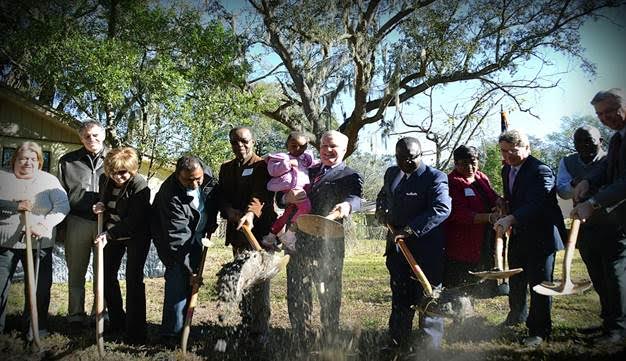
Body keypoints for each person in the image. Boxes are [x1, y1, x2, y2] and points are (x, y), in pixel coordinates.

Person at [284, 130, 363, 349]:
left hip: (330, 243)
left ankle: (329, 338)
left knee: (329, 293)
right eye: (324, 146)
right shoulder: (306, 169)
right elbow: (283, 192)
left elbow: (355, 198)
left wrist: (346, 206)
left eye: (334, 146)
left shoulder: (350, 175)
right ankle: (300, 337)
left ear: (345, 149)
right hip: (298, 241)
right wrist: (285, 197)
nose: (328, 150)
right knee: (297, 290)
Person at [375, 137, 451, 352]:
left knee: (428, 299)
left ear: (420, 154)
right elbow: (383, 195)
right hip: (397, 252)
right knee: (400, 298)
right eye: (401, 158)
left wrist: (408, 230)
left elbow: (441, 209)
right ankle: (398, 344)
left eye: (412, 157)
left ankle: (429, 350)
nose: (406, 162)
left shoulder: (434, 177)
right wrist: (381, 211)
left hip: (425, 252)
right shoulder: (392, 173)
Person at [493, 129, 565, 347]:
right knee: (516, 280)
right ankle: (517, 316)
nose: (507, 156)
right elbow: (514, 197)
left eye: (513, 151)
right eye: (504, 152)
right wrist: (504, 205)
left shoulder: (541, 171)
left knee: (540, 285)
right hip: (519, 235)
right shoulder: (507, 169)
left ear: (527, 148)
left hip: (542, 237)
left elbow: (538, 203)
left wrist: (511, 218)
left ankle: (539, 330)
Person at [571, 88, 626, 346]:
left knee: (616, 272)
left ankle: (617, 330)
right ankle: (610, 324)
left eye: (610, 111)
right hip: (615, 221)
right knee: (607, 272)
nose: (605, 117)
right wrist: (586, 181)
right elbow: (604, 168)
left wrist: (592, 202)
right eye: (600, 114)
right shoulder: (617, 139)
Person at [0, 141, 69, 338]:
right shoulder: (3, 177)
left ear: (39, 162)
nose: (27, 163)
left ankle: (35, 328)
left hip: (39, 244)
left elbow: (63, 206)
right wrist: (14, 207)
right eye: (23, 158)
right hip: (5, 244)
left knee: (39, 288)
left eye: (33, 159)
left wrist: (44, 225)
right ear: (14, 159)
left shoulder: (49, 181)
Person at [217, 126, 277, 346]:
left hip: (260, 234)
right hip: (239, 234)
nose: (239, 146)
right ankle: (246, 322)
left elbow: (261, 194)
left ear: (253, 142)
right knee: (243, 278)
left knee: (260, 282)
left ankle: (260, 331)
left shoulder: (263, 165)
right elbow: (221, 195)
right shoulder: (226, 168)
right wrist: (229, 211)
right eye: (234, 142)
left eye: (244, 141)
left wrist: (251, 214)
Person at [152, 155, 218, 345]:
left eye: (198, 178)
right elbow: (178, 237)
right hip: (172, 241)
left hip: (197, 237)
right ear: (177, 176)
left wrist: (211, 221)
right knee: (177, 279)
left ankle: (184, 329)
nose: (195, 183)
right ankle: (170, 334)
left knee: (190, 284)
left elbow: (214, 196)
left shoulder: (206, 175)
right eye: (189, 180)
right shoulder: (170, 194)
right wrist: (191, 270)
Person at [91, 147, 150, 344]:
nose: (118, 176)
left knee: (133, 280)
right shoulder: (104, 179)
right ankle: (118, 322)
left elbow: (135, 219)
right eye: (114, 172)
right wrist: (99, 207)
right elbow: (104, 202)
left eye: (123, 172)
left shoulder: (140, 184)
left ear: (132, 169)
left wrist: (110, 233)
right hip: (112, 234)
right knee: (106, 277)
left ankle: (136, 332)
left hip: (135, 235)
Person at [58, 120, 107, 328]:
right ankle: (76, 315)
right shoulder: (68, 161)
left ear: (103, 135)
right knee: (76, 271)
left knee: (102, 272)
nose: (91, 139)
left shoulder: (114, 159)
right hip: (77, 221)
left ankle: (101, 315)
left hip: (104, 224)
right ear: (81, 138)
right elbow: (60, 195)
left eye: (95, 135)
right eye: (87, 136)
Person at [443, 145, 504, 305]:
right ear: (455, 163)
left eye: (473, 162)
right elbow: (458, 213)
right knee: (460, 287)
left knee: (479, 286)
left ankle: (472, 315)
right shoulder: (451, 182)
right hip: (461, 245)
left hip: (483, 241)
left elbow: (491, 196)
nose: (470, 167)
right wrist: (489, 217)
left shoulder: (481, 177)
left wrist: (499, 202)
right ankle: (461, 319)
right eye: (464, 163)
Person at [263, 131, 318, 251]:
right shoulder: (283, 158)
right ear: (287, 145)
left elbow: (314, 165)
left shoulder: (306, 159)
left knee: (286, 215)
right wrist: (288, 164)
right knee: (305, 208)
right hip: (292, 188)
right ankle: (289, 234)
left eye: (303, 146)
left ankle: (270, 237)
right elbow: (273, 171)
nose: (298, 149)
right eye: (294, 146)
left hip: (303, 188)